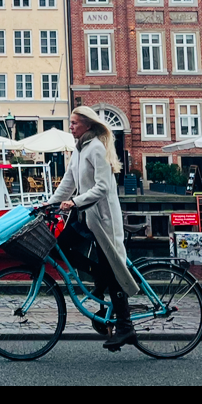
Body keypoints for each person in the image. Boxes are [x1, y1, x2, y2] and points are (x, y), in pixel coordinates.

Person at [52, 106, 140, 349]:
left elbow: (102, 187)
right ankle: (101, 294)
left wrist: (74, 202)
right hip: (89, 219)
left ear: (87, 125)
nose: (70, 127)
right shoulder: (79, 149)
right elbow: (67, 182)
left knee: (114, 271)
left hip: (105, 220)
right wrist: (46, 206)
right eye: (70, 123)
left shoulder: (96, 149)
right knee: (61, 246)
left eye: (74, 123)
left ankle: (125, 327)